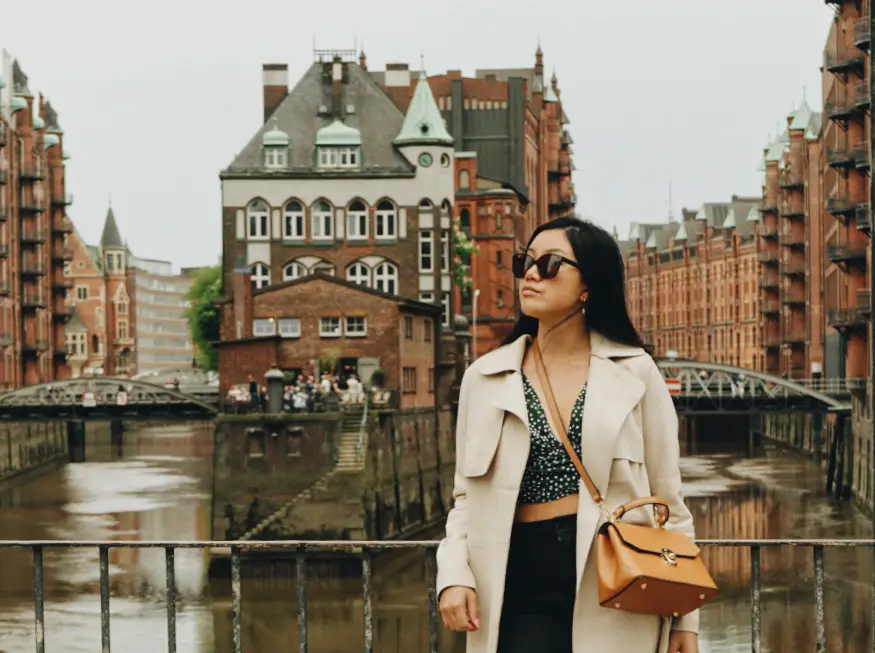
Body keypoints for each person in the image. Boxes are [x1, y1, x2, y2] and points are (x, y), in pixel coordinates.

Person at [436, 217, 699, 653]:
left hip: (613, 580)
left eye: (552, 264)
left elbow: (669, 506)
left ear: (588, 285)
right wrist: (454, 575)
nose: (532, 274)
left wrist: (685, 620)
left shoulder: (634, 373)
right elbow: (466, 498)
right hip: (509, 577)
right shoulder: (485, 376)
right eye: (526, 262)